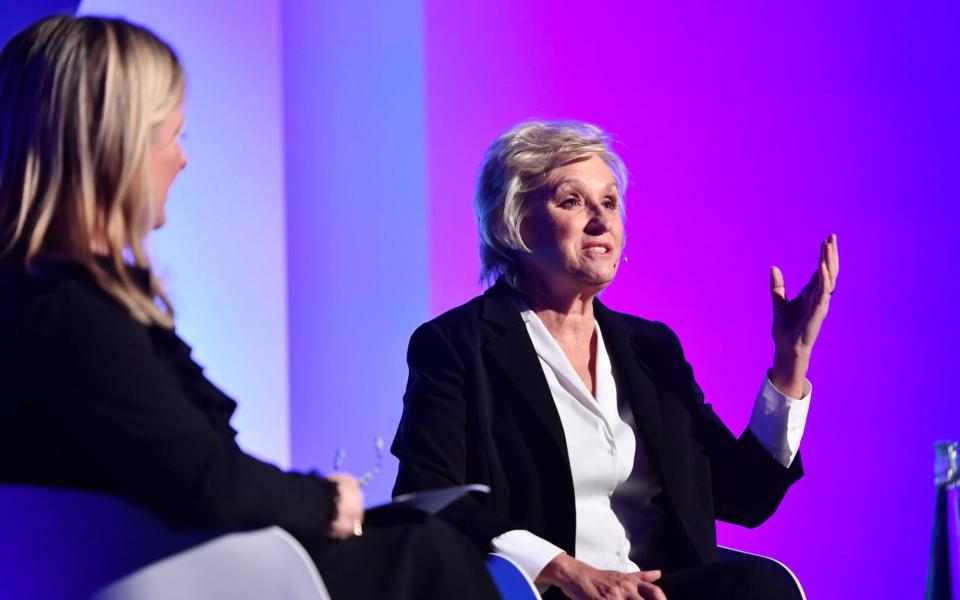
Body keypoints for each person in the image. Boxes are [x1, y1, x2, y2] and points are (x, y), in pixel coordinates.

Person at [0, 15, 498, 600]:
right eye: (173, 136)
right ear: (117, 147)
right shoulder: (68, 315)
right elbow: (200, 478)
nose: (182, 161)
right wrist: (328, 501)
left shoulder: (42, 302)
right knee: (427, 549)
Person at [392, 120, 840, 600]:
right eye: (572, 201)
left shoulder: (650, 348)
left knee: (760, 587)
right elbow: (428, 496)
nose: (601, 220)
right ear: (514, 223)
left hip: (655, 590)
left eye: (609, 202)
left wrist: (791, 357)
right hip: (545, 592)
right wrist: (564, 570)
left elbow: (743, 496)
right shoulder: (457, 344)